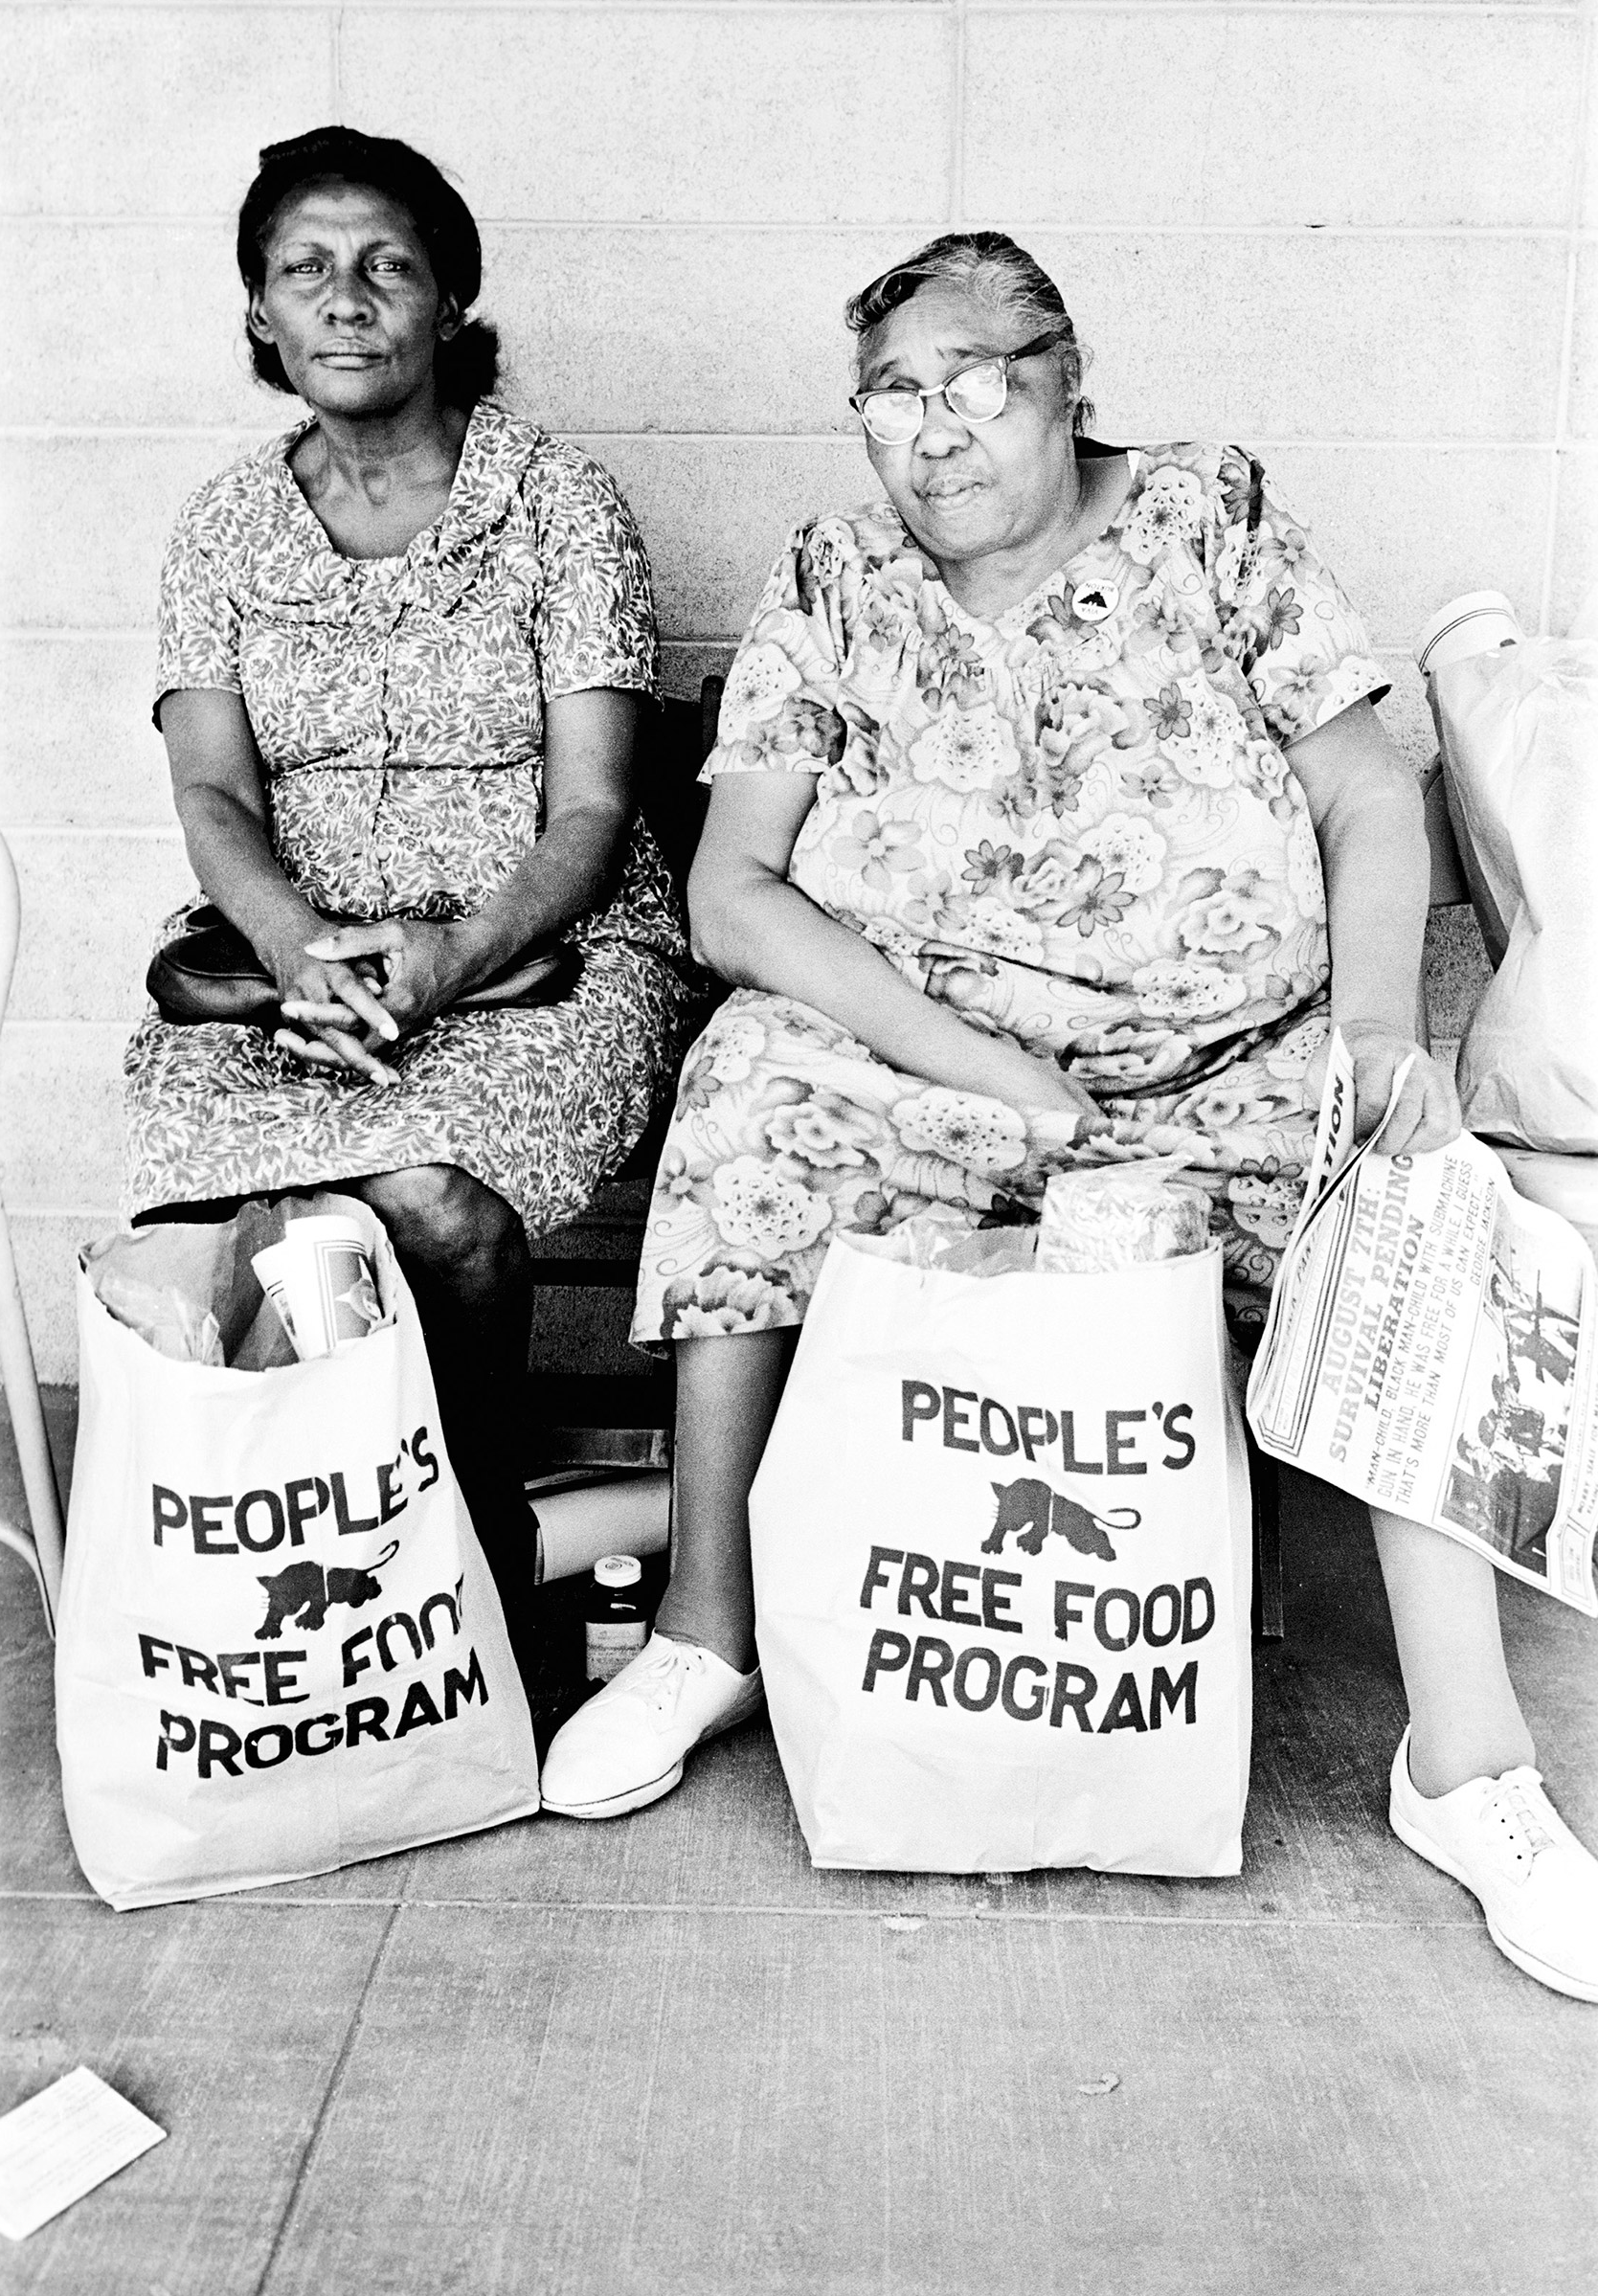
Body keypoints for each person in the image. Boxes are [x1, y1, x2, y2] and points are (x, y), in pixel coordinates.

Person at [540, 231, 1598, 2003]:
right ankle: (703, 1628)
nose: (934, 432)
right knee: (747, 1100)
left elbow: (1367, 789)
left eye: (975, 383)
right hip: (943, 1069)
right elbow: (735, 897)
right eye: (892, 396)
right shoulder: (840, 575)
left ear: (1066, 374)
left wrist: (1367, 1038)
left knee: (1413, 1207)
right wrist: (976, 1062)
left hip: (1228, 1065)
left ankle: (1469, 1772)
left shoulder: (1210, 522)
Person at [125, 126, 694, 1608]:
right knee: (202, 1231)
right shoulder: (223, 527)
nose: (347, 298)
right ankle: (294, 1588)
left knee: (432, 1202)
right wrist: (297, 944)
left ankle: (468, 1583)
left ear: (450, 304)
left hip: (539, 964)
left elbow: (591, 812)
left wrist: (446, 953)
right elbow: (211, 788)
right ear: (261, 313)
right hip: (286, 973)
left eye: (388, 266)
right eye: (304, 271)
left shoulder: (559, 506)